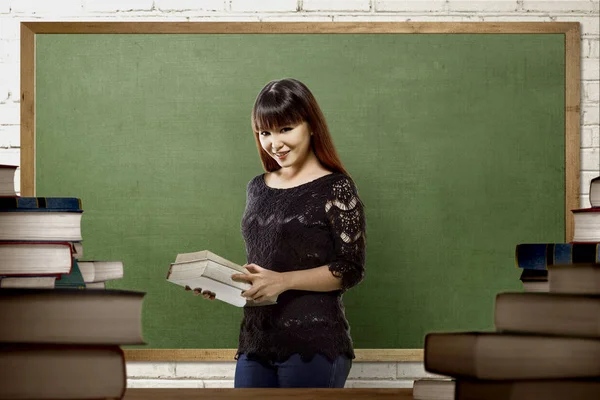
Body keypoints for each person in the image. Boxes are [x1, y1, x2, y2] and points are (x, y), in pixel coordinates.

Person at [192, 78, 366, 388]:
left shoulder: (336, 187)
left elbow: (350, 268)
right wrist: (224, 283)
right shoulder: (257, 187)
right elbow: (265, 266)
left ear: (311, 125)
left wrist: (283, 282)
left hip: (314, 343)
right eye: (264, 133)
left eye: (285, 129)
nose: (275, 144)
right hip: (256, 341)